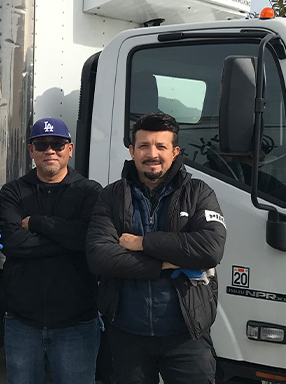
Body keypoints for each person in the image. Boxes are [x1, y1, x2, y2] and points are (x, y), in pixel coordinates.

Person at [86, 112, 226, 384]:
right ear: (132, 151)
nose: (152, 154)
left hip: (186, 335)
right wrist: (165, 262)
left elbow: (210, 249)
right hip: (128, 336)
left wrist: (142, 243)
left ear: (175, 152)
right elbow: (99, 256)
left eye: (161, 147)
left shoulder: (198, 193)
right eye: (144, 146)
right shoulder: (112, 196)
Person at [0, 117, 103, 384]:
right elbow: (12, 243)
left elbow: (88, 240)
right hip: (23, 322)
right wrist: (68, 239)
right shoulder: (13, 192)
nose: (50, 150)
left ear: (70, 149)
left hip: (76, 323)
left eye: (57, 144)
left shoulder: (89, 192)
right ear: (30, 150)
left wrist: (36, 222)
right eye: (42, 144)